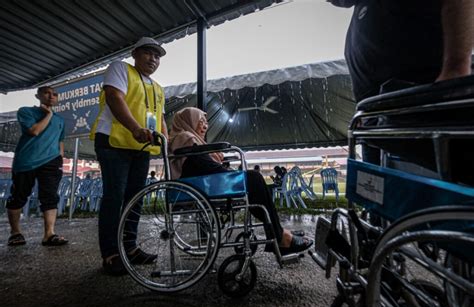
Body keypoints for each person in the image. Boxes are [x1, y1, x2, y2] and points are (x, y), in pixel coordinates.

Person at [330, 0, 473, 165]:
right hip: (373, 123)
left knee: (421, 186)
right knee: (374, 187)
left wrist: (456, 67)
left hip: (417, 118)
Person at [168, 107, 312, 255]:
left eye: (206, 122)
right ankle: (279, 236)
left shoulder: (187, 139)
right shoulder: (185, 138)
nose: (205, 126)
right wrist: (231, 174)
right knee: (254, 178)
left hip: (205, 183)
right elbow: (206, 167)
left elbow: (205, 166)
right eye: (200, 122)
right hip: (201, 185)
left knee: (253, 183)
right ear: (188, 122)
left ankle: (278, 233)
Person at [90, 37, 168, 275]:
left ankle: (130, 247)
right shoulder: (120, 68)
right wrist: (135, 128)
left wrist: (167, 142)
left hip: (140, 148)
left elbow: (161, 119)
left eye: (157, 56)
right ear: (135, 53)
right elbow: (114, 97)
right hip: (114, 141)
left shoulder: (157, 88)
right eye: (148, 53)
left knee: (136, 197)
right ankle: (111, 253)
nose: (153, 59)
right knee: (114, 196)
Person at [6, 86, 68, 247]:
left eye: (55, 94)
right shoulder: (26, 111)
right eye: (47, 93)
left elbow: (60, 140)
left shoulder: (60, 120)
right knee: (19, 196)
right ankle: (15, 232)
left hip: (51, 162)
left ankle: (49, 234)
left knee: (50, 196)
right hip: (27, 160)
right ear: (37, 95)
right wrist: (48, 114)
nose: (51, 96)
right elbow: (34, 131)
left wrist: (60, 158)